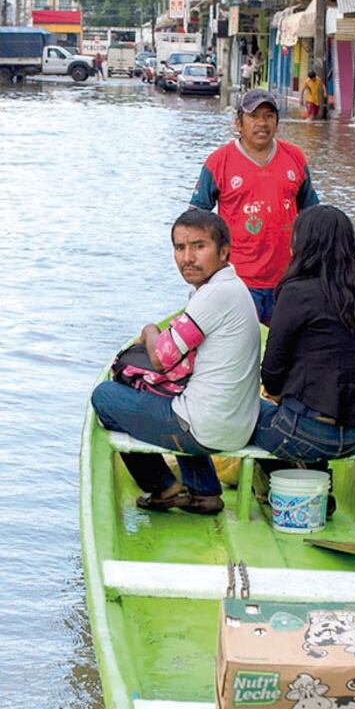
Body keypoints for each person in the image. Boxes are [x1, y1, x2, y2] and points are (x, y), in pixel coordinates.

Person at [91, 208, 261, 515]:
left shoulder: (215, 295)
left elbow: (160, 358)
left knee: (105, 396)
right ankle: (204, 493)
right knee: (182, 395)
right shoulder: (232, 287)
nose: (187, 258)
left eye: (199, 246)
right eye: (180, 248)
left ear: (224, 251)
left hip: (209, 428)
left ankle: (162, 486)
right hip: (236, 424)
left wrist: (149, 331)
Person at [252, 205, 355, 479]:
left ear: (304, 245)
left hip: (306, 433)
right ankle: (315, 479)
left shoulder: (296, 291)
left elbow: (272, 372)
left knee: (241, 413)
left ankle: (276, 484)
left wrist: (274, 394)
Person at [190, 87, 320, 323]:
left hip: (287, 280)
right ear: (238, 123)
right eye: (254, 116)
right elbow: (195, 221)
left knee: (282, 343)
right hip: (237, 281)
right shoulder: (218, 162)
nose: (262, 123)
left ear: (277, 121)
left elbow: (313, 216)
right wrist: (202, 275)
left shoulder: (295, 158)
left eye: (269, 116)